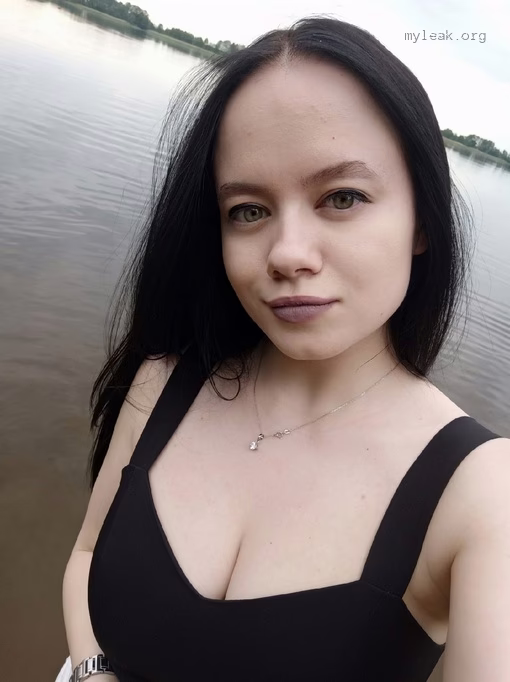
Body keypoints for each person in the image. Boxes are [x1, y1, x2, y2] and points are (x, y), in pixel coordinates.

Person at [62, 15, 510, 682]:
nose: (287, 254)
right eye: (249, 210)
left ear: (423, 220)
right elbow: (86, 556)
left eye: (342, 197)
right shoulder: (163, 385)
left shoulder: (481, 492)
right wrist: (94, 671)